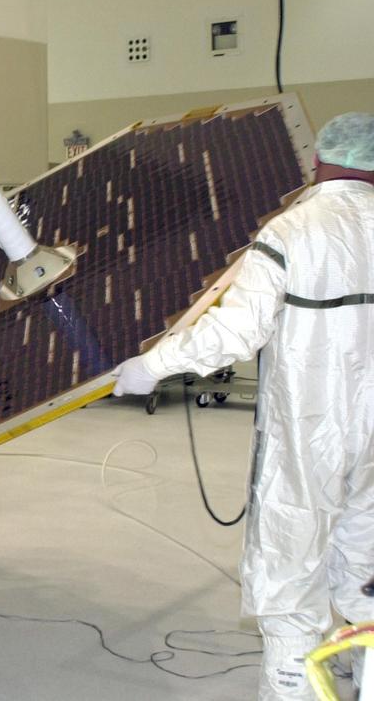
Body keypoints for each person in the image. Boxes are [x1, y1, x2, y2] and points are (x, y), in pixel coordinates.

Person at [112, 112, 374, 701]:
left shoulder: (292, 230)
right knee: (367, 563)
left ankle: (294, 688)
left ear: (317, 162)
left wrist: (149, 367)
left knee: (290, 567)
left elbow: (235, 332)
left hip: (311, 431)